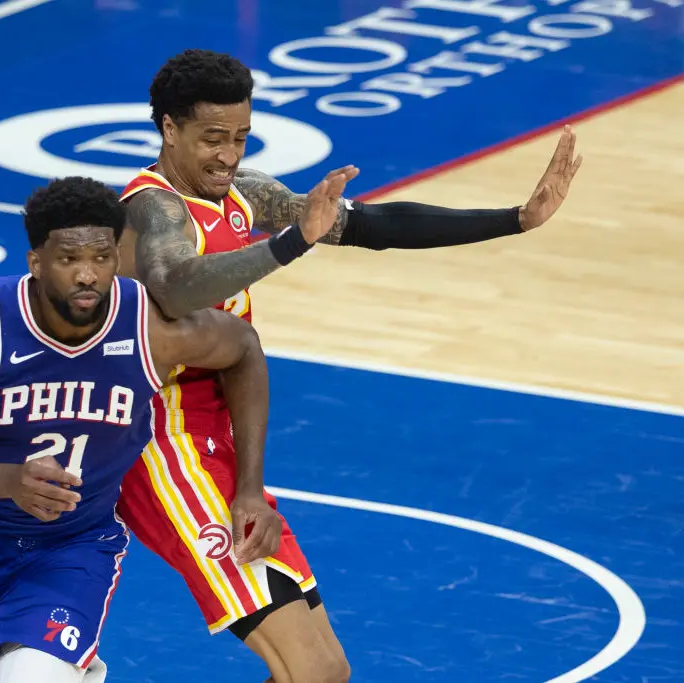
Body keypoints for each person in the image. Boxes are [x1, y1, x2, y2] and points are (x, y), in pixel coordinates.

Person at [115, 48, 584, 683]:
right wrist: (290, 243)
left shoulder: (243, 198)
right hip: (160, 446)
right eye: (212, 138)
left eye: (241, 137)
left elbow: (376, 225)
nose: (229, 155)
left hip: (219, 441)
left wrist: (514, 220)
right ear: (169, 128)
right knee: (308, 669)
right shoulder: (152, 208)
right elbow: (175, 286)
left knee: (326, 671)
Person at [0, 175, 291, 683]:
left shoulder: (148, 327)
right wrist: (7, 481)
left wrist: (249, 489)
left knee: (31, 677)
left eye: (102, 258)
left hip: (71, 547)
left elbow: (243, 347)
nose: (87, 275)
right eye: (69, 260)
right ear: (36, 262)